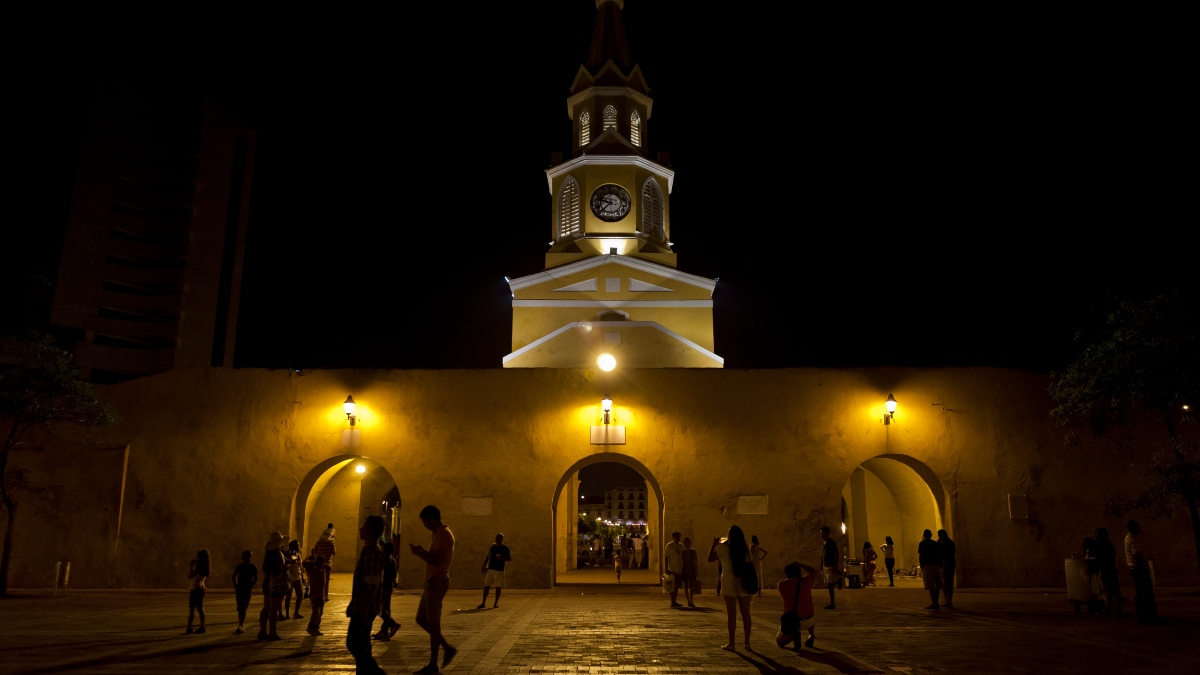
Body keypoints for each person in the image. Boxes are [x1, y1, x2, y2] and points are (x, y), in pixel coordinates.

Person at [410, 505, 457, 675]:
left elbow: (437, 561)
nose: (424, 525)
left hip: (437, 580)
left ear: (433, 518)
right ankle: (446, 647)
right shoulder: (438, 533)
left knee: (433, 621)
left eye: (425, 521)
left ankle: (432, 664)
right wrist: (423, 551)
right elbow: (435, 557)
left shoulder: (443, 534)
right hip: (432, 580)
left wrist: (419, 553)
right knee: (422, 619)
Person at [346, 516, 386, 674]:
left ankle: (376, 672)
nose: (361, 529)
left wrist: (364, 608)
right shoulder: (367, 550)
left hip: (365, 607)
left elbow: (373, 583)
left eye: (364, 526)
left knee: (353, 643)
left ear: (371, 531)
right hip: (360, 604)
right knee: (363, 642)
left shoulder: (373, 552)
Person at [708, 525, 755, 651]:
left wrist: (714, 544)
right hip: (743, 583)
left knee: (731, 615)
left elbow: (710, 559)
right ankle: (747, 642)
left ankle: (732, 643)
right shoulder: (745, 549)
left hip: (728, 583)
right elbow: (751, 562)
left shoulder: (723, 548)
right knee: (746, 614)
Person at [775, 561, 818, 651]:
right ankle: (811, 634)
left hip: (793, 621)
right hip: (810, 619)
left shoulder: (781, 585)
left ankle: (792, 636)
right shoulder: (806, 582)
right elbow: (813, 571)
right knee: (809, 610)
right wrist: (801, 564)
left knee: (779, 641)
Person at [1125, 520, 1157, 624]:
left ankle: (1143, 616)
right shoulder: (1133, 539)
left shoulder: (1129, 538)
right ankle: (1144, 616)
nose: (1140, 528)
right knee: (1143, 593)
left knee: (1141, 593)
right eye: (1138, 526)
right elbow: (1137, 555)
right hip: (1138, 569)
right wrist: (1144, 569)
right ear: (1133, 528)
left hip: (1135, 568)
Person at [259, 531, 289, 640]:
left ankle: (262, 631)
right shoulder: (278, 553)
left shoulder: (267, 553)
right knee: (274, 608)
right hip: (276, 581)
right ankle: (272, 632)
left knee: (266, 607)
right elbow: (281, 567)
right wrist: (291, 565)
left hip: (267, 580)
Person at [373, 541, 401, 639]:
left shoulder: (385, 560)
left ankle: (392, 624)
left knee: (379, 608)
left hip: (384, 586)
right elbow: (394, 575)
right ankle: (384, 631)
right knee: (386, 608)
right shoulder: (392, 560)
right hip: (389, 586)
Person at [1093, 527, 1123, 615]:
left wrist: (1100, 569)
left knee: (1107, 590)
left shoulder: (1101, 545)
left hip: (1105, 570)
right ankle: (1117, 608)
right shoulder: (1109, 544)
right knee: (1114, 589)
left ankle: (1108, 608)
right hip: (1111, 569)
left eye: (1097, 534)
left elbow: (1101, 559)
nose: (1096, 536)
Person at [478, 532, 511, 609]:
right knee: (486, 585)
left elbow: (509, 558)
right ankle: (483, 602)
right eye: (496, 538)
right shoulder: (493, 546)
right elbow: (488, 556)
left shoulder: (505, 548)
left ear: (502, 539)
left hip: (499, 569)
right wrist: (484, 566)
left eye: (498, 538)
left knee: (498, 586)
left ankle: (496, 602)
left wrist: (502, 558)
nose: (496, 539)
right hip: (490, 568)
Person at [302, 553, 330, 636]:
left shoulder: (324, 569)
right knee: (316, 611)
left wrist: (322, 564)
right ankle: (311, 627)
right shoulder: (312, 570)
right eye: (319, 562)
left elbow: (329, 567)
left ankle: (316, 627)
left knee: (320, 612)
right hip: (314, 593)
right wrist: (313, 562)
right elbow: (304, 563)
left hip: (321, 593)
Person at [231, 550, 258, 635]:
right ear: (242, 557)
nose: (249, 558)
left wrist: (250, 585)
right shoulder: (239, 566)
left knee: (243, 607)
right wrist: (236, 586)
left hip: (246, 589)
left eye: (250, 556)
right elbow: (234, 576)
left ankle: (241, 624)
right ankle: (240, 624)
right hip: (240, 589)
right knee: (240, 607)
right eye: (247, 556)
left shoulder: (253, 567)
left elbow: (256, 578)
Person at [917, 529, 943, 610]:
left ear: (924, 535)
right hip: (936, 564)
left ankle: (934, 602)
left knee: (930, 584)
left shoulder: (922, 544)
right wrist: (940, 564)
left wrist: (921, 565)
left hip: (927, 565)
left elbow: (921, 555)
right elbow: (940, 555)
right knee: (937, 584)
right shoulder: (936, 544)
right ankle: (936, 602)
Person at [186, 549, 209, 634]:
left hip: (195, 589)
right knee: (200, 608)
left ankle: (189, 627)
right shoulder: (205, 566)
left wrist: (191, 565)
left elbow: (190, 575)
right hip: (201, 588)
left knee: (192, 609)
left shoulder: (199, 566)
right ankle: (202, 626)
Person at [818, 526, 841, 609]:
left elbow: (836, 554)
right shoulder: (824, 543)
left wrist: (836, 565)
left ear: (827, 533)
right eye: (820, 533)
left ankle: (832, 603)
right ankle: (832, 603)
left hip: (830, 565)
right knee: (829, 585)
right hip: (825, 565)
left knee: (829, 585)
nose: (821, 535)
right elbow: (823, 556)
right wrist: (821, 565)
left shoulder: (831, 543)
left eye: (822, 533)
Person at [283, 540, 305, 620]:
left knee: (300, 595)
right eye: (298, 545)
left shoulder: (298, 553)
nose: (299, 546)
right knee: (288, 596)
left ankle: (296, 612)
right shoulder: (293, 552)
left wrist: (302, 576)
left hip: (297, 575)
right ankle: (287, 613)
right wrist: (293, 556)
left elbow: (300, 566)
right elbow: (293, 560)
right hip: (290, 577)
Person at [315, 524, 336, 602]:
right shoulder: (331, 543)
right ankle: (325, 595)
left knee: (319, 580)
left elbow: (315, 551)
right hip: (327, 564)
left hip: (318, 564)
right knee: (326, 581)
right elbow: (334, 553)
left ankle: (318, 594)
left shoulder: (318, 542)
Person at [665, 531, 685, 607]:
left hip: (679, 569)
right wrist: (666, 568)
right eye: (676, 537)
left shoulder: (681, 546)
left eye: (678, 537)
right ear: (673, 538)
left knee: (676, 587)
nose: (677, 538)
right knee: (672, 587)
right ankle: (672, 601)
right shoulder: (669, 546)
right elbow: (666, 557)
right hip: (672, 569)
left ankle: (674, 601)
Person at [938, 530, 956, 607]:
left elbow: (941, 554)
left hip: (946, 565)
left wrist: (939, 544)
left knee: (946, 584)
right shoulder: (951, 543)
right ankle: (948, 600)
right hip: (951, 565)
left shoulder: (945, 544)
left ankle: (947, 600)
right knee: (949, 583)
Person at [681, 537, 699, 608]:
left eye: (688, 543)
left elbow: (696, 561)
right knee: (686, 586)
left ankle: (691, 600)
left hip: (691, 569)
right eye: (685, 543)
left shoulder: (693, 551)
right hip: (685, 569)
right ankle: (688, 600)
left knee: (691, 586)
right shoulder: (683, 552)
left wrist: (696, 569)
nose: (687, 544)